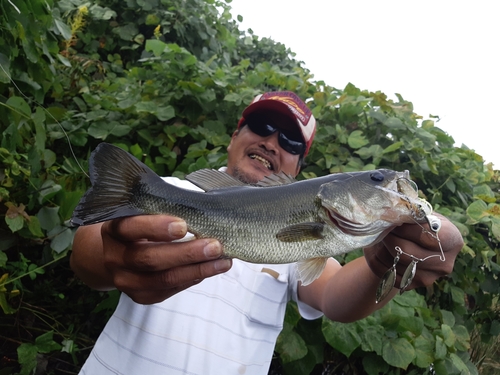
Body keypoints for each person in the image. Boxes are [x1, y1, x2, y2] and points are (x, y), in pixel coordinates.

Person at [70, 91, 463, 375]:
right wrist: (105, 254)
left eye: (290, 141)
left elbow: (334, 295)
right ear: (234, 136)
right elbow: (90, 246)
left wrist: (386, 265)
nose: (272, 141)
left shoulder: (314, 233)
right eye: (262, 126)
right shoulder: (177, 190)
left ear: (298, 166)